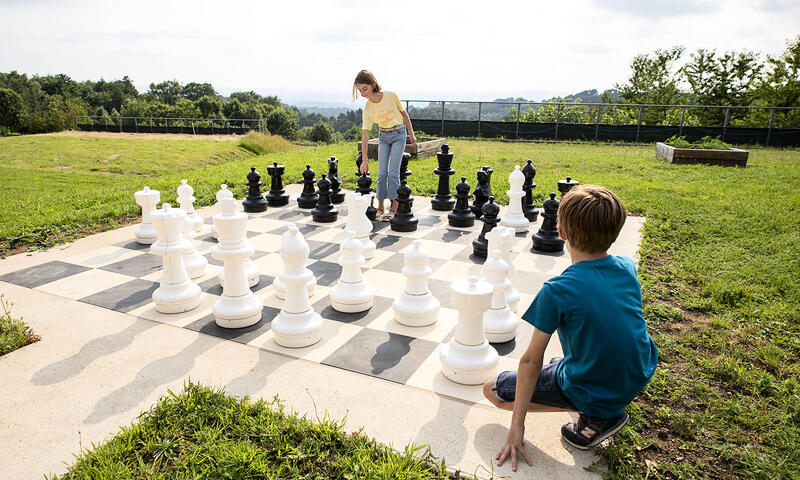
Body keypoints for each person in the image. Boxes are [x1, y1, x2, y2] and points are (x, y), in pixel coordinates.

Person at [483, 185, 658, 472]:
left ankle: (595, 416)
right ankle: (595, 397)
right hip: (637, 372)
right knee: (562, 360)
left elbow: (530, 360)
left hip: (595, 388)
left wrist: (517, 425)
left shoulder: (558, 290)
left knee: (493, 389)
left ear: (561, 232)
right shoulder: (627, 266)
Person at [353, 70, 417, 221]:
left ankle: (393, 208)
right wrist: (364, 159)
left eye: (364, 89)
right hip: (383, 136)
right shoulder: (368, 107)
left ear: (373, 84)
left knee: (393, 173)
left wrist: (411, 134)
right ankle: (380, 207)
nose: (363, 93)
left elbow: (404, 114)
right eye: (359, 90)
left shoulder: (391, 96)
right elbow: (365, 134)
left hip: (398, 134)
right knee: (382, 173)